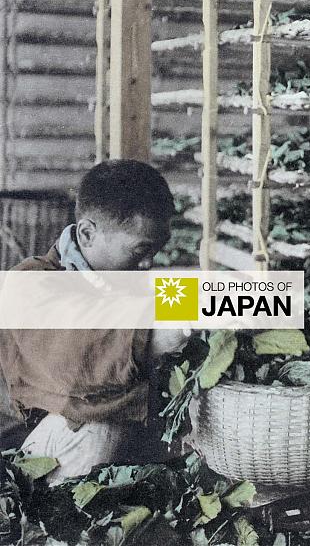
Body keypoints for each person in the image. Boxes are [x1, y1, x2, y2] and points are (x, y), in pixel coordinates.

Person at [0, 159, 188, 482]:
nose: (148, 263)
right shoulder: (28, 283)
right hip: (32, 451)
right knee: (99, 429)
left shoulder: (125, 277)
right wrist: (151, 339)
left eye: (157, 250)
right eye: (140, 250)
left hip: (105, 448)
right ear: (87, 234)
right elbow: (76, 358)